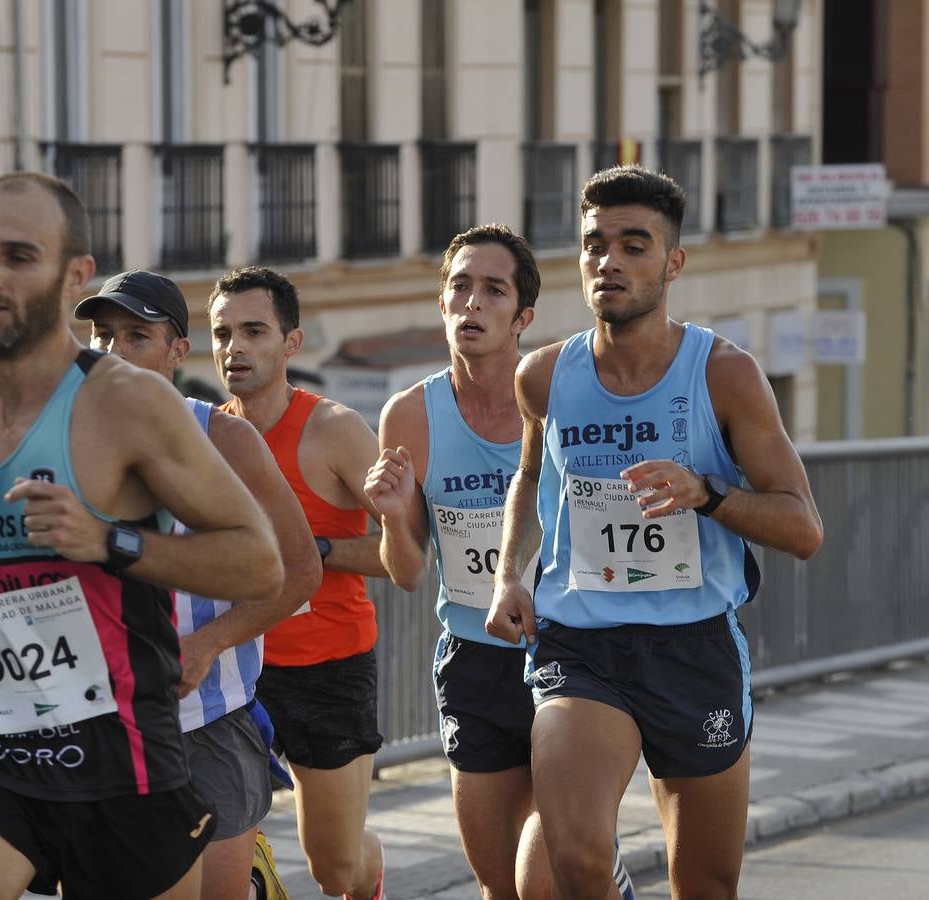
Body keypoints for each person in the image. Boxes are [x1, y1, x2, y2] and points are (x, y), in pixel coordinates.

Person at [0, 172, 283, 900]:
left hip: (120, 752)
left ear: (74, 275)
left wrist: (108, 542)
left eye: (18, 256)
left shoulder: (129, 404)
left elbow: (259, 564)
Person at [485, 165, 823, 899]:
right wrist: (509, 574)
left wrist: (706, 494)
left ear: (672, 264)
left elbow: (803, 528)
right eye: (593, 244)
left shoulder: (723, 374)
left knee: (703, 882)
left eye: (633, 244)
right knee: (567, 864)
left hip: (692, 645)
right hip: (580, 643)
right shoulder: (542, 377)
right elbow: (528, 480)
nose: (607, 261)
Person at [363, 224, 635, 900]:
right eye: (459, 286)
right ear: (441, 303)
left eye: (492, 290)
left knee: (541, 879)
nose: (471, 303)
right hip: (474, 658)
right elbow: (403, 571)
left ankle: (603, 871)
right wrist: (396, 518)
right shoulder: (409, 416)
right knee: (498, 884)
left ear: (522, 317)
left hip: (571, 657)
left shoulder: (560, 396)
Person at [73, 269, 319, 900]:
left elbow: (300, 572)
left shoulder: (224, 438)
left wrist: (208, 643)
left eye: (135, 335)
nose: (112, 351)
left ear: (177, 352)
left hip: (205, 718)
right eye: (101, 335)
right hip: (99, 722)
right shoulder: (61, 442)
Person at [209, 266, 389, 900]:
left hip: (327, 665)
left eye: (254, 331)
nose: (235, 347)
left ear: (292, 343)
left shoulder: (336, 429)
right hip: (230, 671)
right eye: (222, 332)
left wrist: (310, 550)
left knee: (336, 866)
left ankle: (369, 879)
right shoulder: (202, 435)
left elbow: (406, 550)